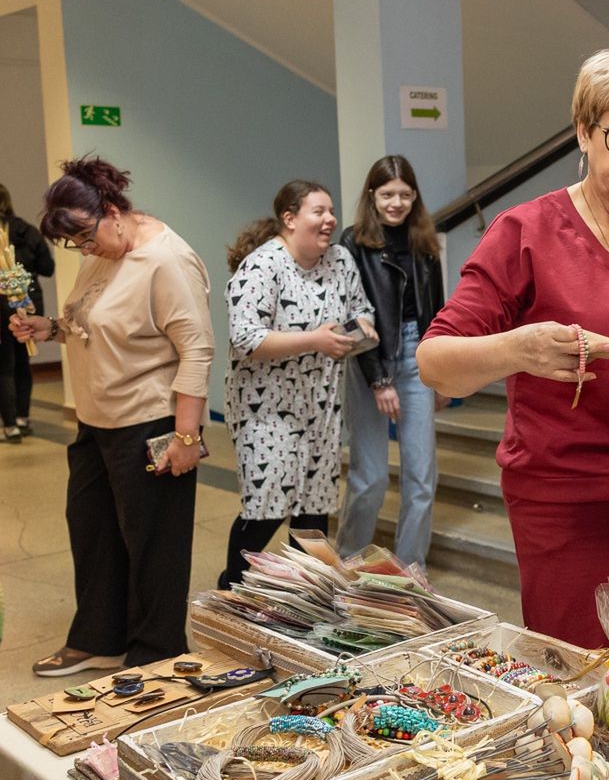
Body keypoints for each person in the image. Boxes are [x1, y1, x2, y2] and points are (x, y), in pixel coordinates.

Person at [418, 48, 609, 673]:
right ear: (583, 132)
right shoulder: (525, 233)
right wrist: (518, 349)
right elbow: (436, 362)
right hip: (565, 503)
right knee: (584, 682)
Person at [10, 157, 213, 674]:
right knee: (94, 529)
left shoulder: (167, 260)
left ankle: (157, 653)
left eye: (85, 237)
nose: (83, 250)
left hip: (150, 422)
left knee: (153, 545)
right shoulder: (100, 250)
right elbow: (93, 319)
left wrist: (186, 438)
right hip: (96, 419)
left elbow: (196, 351)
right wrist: (49, 328)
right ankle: (102, 637)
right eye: (73, 244)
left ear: (114, 210)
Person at [219, 181, 375, 588]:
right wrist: (315, 340)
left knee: (312, 514)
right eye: (318, 211)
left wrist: (358, 333)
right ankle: (230, 590)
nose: (330, 220)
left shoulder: (340, 260)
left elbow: (361, 310)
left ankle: (301, 601)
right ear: (289, 219)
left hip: (320, 409)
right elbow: (246, 338)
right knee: (265, 509)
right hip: (265, 410)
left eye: (331, 211)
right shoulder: (261, 266)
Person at [335, 155, 448, 568]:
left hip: (418, 354)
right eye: (387, 194)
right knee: (371, 478)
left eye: (404, 194)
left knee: (421, 477)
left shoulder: (425, 243)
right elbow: (350, 319)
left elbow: (437, 313)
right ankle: (347, 564)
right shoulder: (352, 243)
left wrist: (441, 377)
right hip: (370, 358)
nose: (396, 203)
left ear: (414, 197)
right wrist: (379, 379)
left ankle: (409, 571)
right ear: (372, 196)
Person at [0, 183, 53, 443]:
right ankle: (23, 417)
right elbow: (48, 267)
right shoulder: (27, 231)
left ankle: (9, 426)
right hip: (29, 302)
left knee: (3, 366)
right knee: (23, 361)